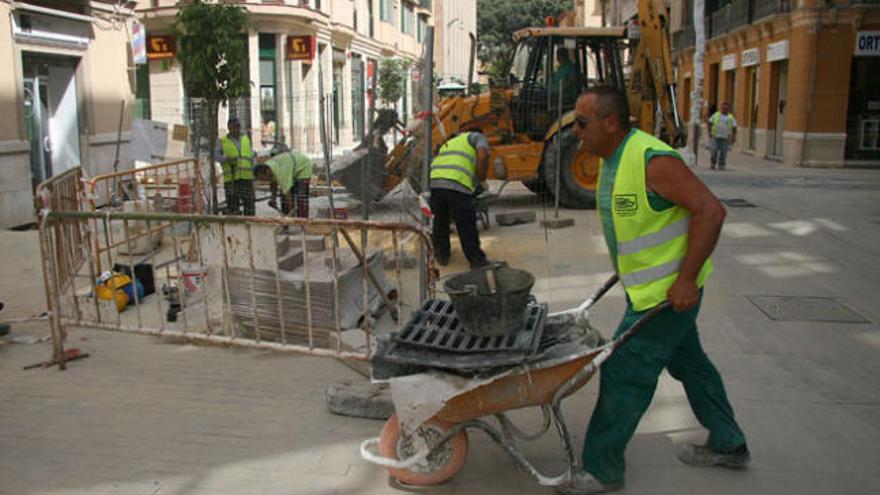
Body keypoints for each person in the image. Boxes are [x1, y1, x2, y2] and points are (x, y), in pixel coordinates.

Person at [559, 86, 749, 494]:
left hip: (666, 297)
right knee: (690, 363)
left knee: (623, 372)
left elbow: (711, 211)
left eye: (582, 122)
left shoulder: (651, 159)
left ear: (611, 123)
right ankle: (728, 442)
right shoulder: (611, 158)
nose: (575, 131)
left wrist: (684, 280)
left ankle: (601, 471)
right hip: (648, 290)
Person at [429, 127, 491, 269]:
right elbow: (483, 156)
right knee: (466, 223)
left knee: (440, 221)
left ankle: (442, 254)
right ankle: (477, 261)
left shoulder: (450, 142)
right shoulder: (477, 136)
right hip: (457, 183)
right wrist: (481, 177)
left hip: (436, 182)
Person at [254, 148, 313, 218]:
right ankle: (286, 221)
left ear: (267, 172)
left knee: (301, 198)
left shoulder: (281, 173)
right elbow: (273, 184)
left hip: (303, 166)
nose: (263, 181)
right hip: (290, 167)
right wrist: (273, 198)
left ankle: (302, 222)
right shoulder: (268, 166)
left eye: (263, 178)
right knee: (284, 199)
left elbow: (288, 193)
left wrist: (291, 211)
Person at [216, 117, 255, 215]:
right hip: (232, 180)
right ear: (229, 127)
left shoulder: (246, 139)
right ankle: (235, 227)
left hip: (247, 179)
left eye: (238, 126)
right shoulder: (222, 141)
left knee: (249, 206)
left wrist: (254, 172)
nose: (236, 129)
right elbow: (216, 156)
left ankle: (250, 225)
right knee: (233, 208)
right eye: (234, 126)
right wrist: (226, 159)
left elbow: (252, 156)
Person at [709, 102, 737, 170]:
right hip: (715, 136)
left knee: (723, 152)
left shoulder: (730, 117)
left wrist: (734, 137)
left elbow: (734, 127)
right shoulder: (716, 115)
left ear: (728, 109)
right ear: (721, 108)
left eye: (726, 108)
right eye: (723, 108)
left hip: (725, 138)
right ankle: (713, 163)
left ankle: (721, 164)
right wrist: (709, 132)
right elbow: (710, 122)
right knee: (713, 150)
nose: (724, 109)